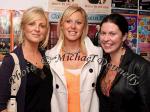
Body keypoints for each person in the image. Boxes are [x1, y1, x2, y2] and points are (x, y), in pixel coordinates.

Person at [46, 5, 103, 112]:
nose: (73, 26)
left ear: (84, 27)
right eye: (68, 21)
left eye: (78, 22)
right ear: (62, 25)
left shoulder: (97, 54)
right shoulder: (50, 56)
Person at [0, 7, 53, 112]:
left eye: (42, 26)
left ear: (46, 30)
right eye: (32, 24)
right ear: (23, 27)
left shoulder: (47, 57)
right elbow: (1, 105)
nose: (37, 29)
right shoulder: (11, 60)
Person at [96, 13, 150, 112]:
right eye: (103, 33)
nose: (106, 38)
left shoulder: (141, 67)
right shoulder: (102, 62)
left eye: (112, 34)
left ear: (124, 36)